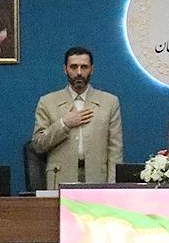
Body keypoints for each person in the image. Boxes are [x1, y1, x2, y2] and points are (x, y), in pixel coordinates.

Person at [30, 46, 123, 186]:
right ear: (65, 69)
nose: (79, 72)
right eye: (73, 67)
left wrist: (113, 187)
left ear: (92, 69)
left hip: (97, 178)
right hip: (60, 178)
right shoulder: (48, 102)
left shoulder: (109, 102)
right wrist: (64, 124)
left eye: (84, 67)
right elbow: (38, 145)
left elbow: (115, 151)